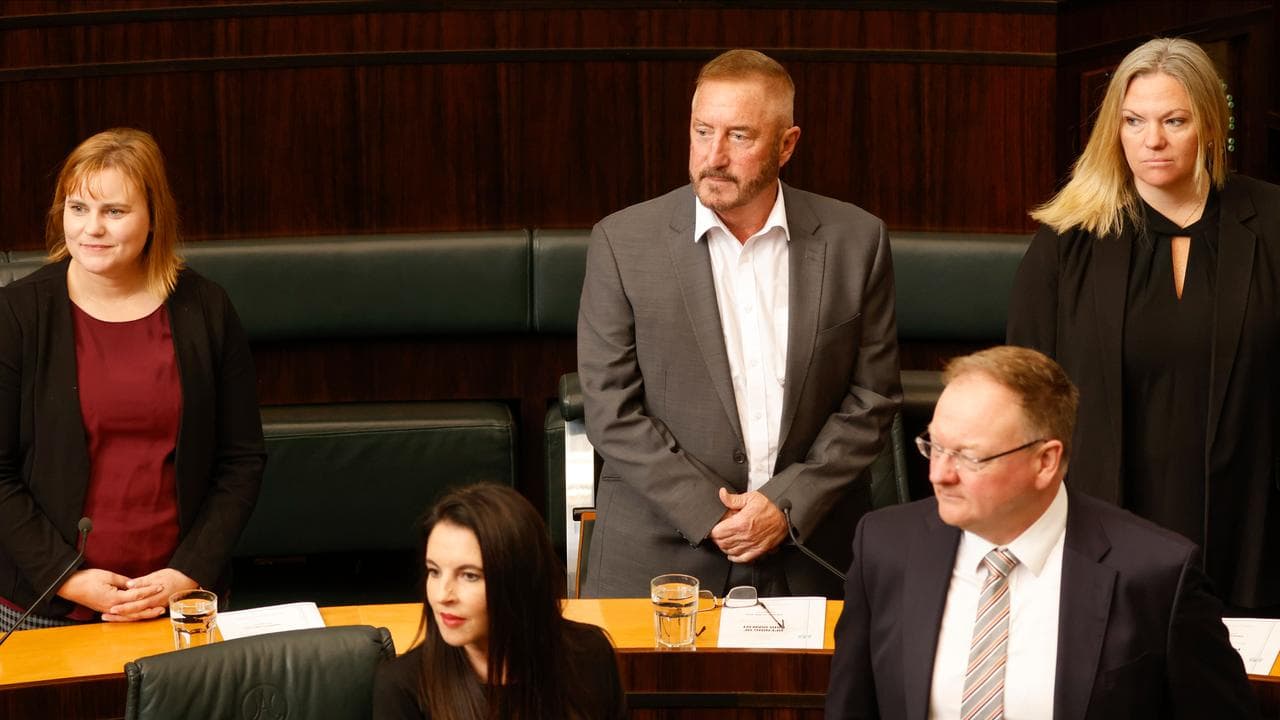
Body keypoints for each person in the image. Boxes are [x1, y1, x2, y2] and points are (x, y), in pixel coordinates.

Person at [577, 48, 900, 599]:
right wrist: (713, 514)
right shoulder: (622, 242)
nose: (713, 156)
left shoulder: (856, 241)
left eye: (740, 137)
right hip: (658, 557)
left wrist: (786, 504)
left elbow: (871, 399)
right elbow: (611, 408)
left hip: (810, 553)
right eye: (702, 131)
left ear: (787, 144)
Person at [825, 346, 1256, 719]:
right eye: (934, 446)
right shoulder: (885, 547)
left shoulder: (1156, 575)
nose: (939, 474)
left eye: (968, 457)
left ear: (1045, 461)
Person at [1007, 37, 1280, 611]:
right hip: (1103, 522)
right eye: (1134, 121)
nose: (1152, 140)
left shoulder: (1273, 223)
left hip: (1251, 524)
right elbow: (1023, 399)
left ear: (1209, 126)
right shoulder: (1066, 242)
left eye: (1173, 120)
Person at [0, 128, 265, 630]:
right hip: (44, 603)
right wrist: (67, 577)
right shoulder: (17, 315)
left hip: (179, 598)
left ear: (153, 216)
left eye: (113, 212)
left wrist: (189, 571)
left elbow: (241, 461)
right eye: (77, 208)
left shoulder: (205, 308)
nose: (90, 229)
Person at [372, 483, 625, 719]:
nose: (442, 595)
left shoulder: (589, 655)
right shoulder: (402, 686)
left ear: (519, 580)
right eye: (434, 571)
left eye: (469, 576)